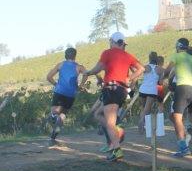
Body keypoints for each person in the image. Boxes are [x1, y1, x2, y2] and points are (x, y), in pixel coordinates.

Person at [82, 32, 144, 161]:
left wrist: (88, 72)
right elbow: (141, 69)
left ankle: (117, 150)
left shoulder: (107, 53)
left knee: (110, 123)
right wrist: (129, 78)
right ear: (123, 44)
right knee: (103, 117)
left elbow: (97, 69)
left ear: (112, 41)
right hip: (121, 90)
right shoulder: (127, 55)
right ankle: (117, 135)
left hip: (111, 88)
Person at [163, 37, 192, 157]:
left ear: (178, 46)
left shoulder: (176, 56)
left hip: (181, 88)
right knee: (174, 116)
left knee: (176, 118)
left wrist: (163, 78)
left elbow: (167, 71)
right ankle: (184, 133)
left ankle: (184, 147)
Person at [46, 47, 86, 146]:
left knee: (54, 112)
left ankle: (54, 117)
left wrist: (56, 84)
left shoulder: (60, 65)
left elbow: (49, 77)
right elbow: (86, 74)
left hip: (59, 91)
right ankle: (53, 136)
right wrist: (81, 85)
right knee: (63, 114)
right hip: (71, 94)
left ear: (65, 55)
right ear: (75, 56)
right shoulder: (79, 67)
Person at [137, 51, 165, 134]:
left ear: (149, 58)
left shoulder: (145, 67)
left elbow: (137, 73)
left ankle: (144, 126)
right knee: (147, 108)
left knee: (143, 108)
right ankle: (142, 121)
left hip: (142, 89)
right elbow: (160, 82)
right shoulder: (160, 69)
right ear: (156, 59)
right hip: (152, 90)